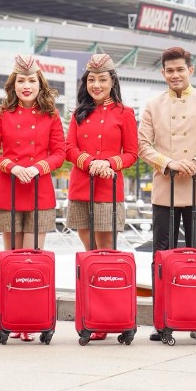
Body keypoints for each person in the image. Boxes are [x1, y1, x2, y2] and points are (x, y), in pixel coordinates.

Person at [138, 46, 196, 342]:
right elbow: (142, 146)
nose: (175, 75)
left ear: (191, 70)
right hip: (164, 190)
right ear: (163, 73)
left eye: (180, 69)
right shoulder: (153, 104)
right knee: (161, 257)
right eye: (169, 70)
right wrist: (167, 163)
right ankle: (161, 319)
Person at [0, 54, 64, 342]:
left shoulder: (52, 115)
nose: (26, 85)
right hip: (10, 190)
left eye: (31, 80)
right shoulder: (1, 114)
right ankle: (12, 316)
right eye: (21, 81)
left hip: (40, 191)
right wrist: (13, 167)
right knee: (12, 259)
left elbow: (59, 152)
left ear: (40, 84)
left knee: (33, 259)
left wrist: (37, 168)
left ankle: (30, 316)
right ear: (13, 84)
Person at [64, 53, 138, 252]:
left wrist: (108, 163)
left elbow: (131, 154)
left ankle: (106, 282)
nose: (96, 85)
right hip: (81, 185)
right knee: (88, 248)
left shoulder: (125, 113)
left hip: (108, 186)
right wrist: (91, 163)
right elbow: (69, 149)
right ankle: (89, 283)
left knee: (106, 249)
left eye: (102, 79)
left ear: (112, 82)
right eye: (91, 79)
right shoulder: (78, 113)